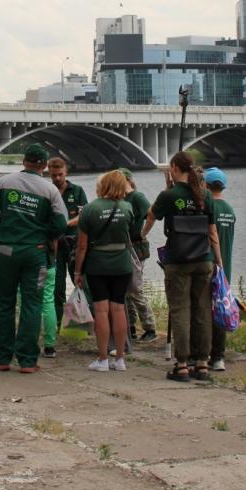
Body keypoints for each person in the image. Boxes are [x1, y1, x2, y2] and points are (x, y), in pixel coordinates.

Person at [0, 142, 68, 373]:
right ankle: (28, 360)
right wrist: (46, 237)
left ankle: (1, 358)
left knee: (3, 303)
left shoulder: (3, 182)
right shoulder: (50, 191)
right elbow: (61, 223)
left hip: (6, 250)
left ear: (23, 161)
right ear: (45, 166)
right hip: (35, 253)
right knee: (32, 304)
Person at [144, 150, 221, 383]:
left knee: (180, 311)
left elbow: (151, 215)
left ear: (175, 169)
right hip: (204, 259)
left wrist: (142, 235)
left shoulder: (169, 195)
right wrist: (218, 262)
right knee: (202, 310)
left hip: (178, 260)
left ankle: (182, 365)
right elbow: (213, 233)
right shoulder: (205, 195)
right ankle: (203, 363)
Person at [74, 170, 138, 371]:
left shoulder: (90, 209)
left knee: (101, 310)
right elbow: (131, 232)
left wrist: (77, 272)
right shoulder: (127, 207)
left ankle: (102, 359)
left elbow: (82, 246)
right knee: (118, 309)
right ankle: (120, 359)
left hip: (98, 264)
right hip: (122, 264)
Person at [43, 156, 87, 358]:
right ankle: (60, 323)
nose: (57, 178)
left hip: (73, 243)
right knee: (56, 287)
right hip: (54, 245)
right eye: (54, 175)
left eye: (60, 175)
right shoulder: (46, 191)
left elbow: (83, 215)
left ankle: (82, 322)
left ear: (66, 172)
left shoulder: (77, 191)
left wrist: (65, 224)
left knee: (80, 282)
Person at [119, 168, 159, 345]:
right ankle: (130, 327)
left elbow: (152, 214)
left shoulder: (136, 197)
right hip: (123, 247)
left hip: (136, 246)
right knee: (125, 289)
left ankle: (150, 328)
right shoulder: (119, 197)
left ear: (127, 179)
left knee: (135, 288)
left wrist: (143, 233)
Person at [205, 167, 236, 372]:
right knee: (220, 309)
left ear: (205, 185)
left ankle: (203, 353)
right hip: (225, 269)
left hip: (208, 264)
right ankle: (219, 357)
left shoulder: (209, 208)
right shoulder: (229, 210)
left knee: (203, 309)